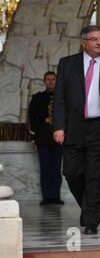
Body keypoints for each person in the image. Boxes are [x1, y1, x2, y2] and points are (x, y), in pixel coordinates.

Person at [53, 25, 100, 235]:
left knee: (95, 176)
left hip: (99, 128)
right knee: (71, 172)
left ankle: (92, 220)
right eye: (94, 39)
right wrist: (58, 126)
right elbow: (59, 99)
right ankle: (88, 206)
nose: (99, 43)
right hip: (73, 126)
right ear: (83, 42)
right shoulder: (67, 64)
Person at [28, 71, 64, 206]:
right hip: (42, 138)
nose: (50, 82)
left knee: (56, 169)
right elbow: (32, 118)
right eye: (48, 79)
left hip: (59, 138)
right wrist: (33, 137)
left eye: (53, 79)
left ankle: (56, 197)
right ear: (44, 81)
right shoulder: (38, 98)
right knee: (45, 169)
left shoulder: (62, 98)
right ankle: (46, 197)